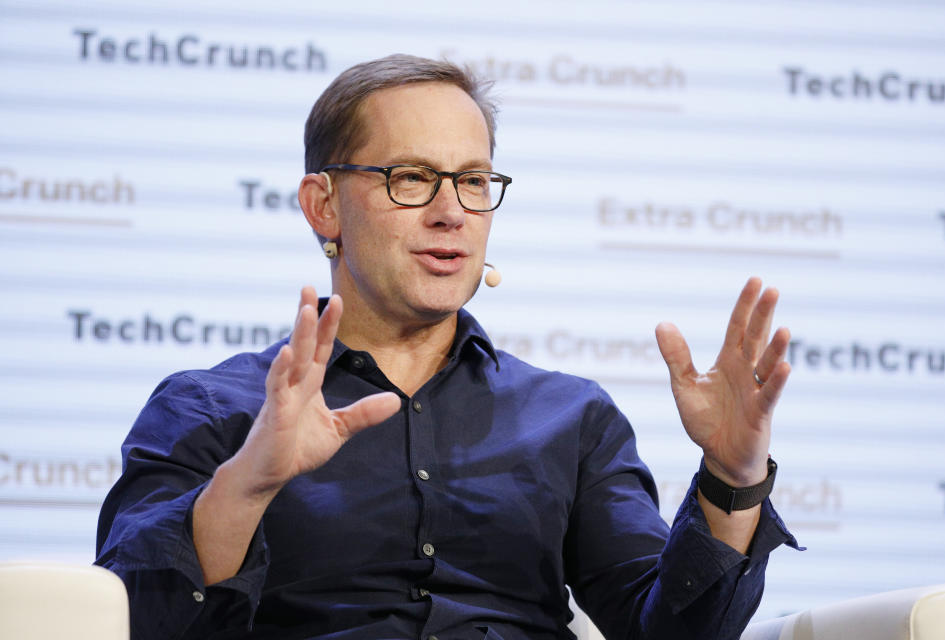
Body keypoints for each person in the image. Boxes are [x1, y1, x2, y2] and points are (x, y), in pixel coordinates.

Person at [96, 54, 799, 640]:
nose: (452, 212)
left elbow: (669, 631)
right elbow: (143, 617)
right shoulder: (211, 408)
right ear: (323, 205)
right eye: (411, 178)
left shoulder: (570, 418)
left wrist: (731, 478)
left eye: (471, 181)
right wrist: (247, 485)